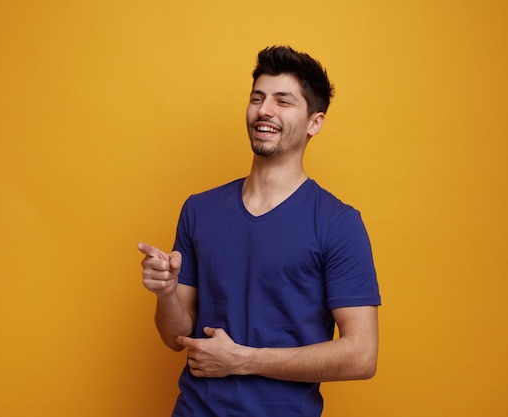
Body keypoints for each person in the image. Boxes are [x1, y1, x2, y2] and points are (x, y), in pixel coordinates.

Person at [138, 45, 381, 417]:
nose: (264, 110)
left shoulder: (338, 223)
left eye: (283, 101)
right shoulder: (199, 210)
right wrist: (167, 293)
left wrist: (242, 360)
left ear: (315, 122)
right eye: (257, 98)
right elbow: (175, 338)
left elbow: (361, 356)